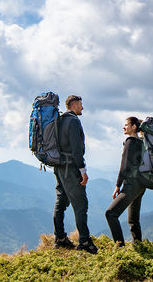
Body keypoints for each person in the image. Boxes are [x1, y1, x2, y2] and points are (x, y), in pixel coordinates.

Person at [52, 95, 98, 254]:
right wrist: (83, 170)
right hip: (70, 168)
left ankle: (60, 238)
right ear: (74, 105)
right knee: (80, 205)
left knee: (61, 201)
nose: (82, 108)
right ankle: (84, 241)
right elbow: (76, 149)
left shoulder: (59, 120)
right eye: (80, 105)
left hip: (58, 167)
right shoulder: (73, 121)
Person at [105, 116, 146, 247]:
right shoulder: (141, 142)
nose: (124, 127)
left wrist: (117, 185)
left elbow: (124, 166)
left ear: (134, 127)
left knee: (110, 214)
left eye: (126, 125)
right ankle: (138, 246)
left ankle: (120, 247)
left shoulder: (130, 142)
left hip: (131, 184)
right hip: (141, 184)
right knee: (133, 220)